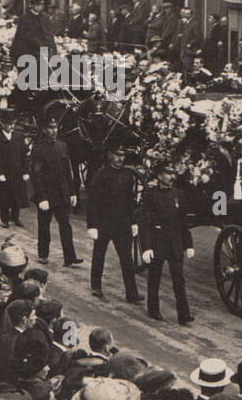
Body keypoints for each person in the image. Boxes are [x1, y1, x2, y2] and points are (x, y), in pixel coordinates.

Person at [85, 147, 141, 303]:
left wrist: (133, 222)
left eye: (123, 156)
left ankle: (132, 293)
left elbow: (131, 201)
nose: (120, 158)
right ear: (110, 155)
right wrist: (92, 226)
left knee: (127, 259)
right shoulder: (101, 175)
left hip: (122, 224)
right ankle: (96, 286)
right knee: (99, 255)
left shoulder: (128, 175)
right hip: (104, 223)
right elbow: (93, 201)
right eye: (117, 155)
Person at [139, 167, 194, 324]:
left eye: (173, 174)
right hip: (158, 243)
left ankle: (184, 314)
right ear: (159, 176)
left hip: (175, 244)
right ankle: (153, 309)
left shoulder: (178, 194)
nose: (171, 177)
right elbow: (144, 222)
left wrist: (189, 244)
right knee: (154, 276)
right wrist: (147, 247)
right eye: (167, 174)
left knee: (179, 279)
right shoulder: (150, 194)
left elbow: (183, 222)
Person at [30, 117, 81, 267]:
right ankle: (43, 255)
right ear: (44, 130)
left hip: (62, 194)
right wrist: (41, 197)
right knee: (44, 226)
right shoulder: (38, 148)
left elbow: (67, 172)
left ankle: (70, 257)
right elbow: (36, 174)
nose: (54, 131)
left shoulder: (62, 146)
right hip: (47, 195)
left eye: (55, 128)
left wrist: (72, 193)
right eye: (50, 128)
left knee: (66, 225)